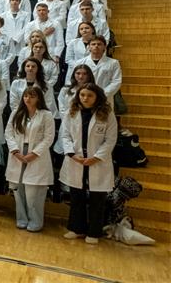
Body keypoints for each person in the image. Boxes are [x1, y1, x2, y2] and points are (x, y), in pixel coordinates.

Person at [60, 83, 118, 244]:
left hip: (97, 162)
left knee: (97, 199)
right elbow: (65, 135)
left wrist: (97, 157)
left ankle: (94, 232)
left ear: (97, 97)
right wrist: (72, 154)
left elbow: (110, 139)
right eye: (82, 95)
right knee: (76, 196)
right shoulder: (72, 112)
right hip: (76, 160)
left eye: (90, 95)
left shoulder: (107, 113)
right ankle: (76, 228)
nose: (85, 98)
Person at [5, 85, 55, 233]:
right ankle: (22, 219)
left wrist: (34, 153)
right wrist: (15, 151)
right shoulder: (16, 113)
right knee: (18, 190)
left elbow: (48, 138)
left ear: (38, 98)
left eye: (32, 96)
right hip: (18, 154)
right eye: (26, 96)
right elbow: (9, 133)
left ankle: (36, 221)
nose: (28, 99)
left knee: (34, 193)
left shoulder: (46, 115)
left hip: (36, 156)